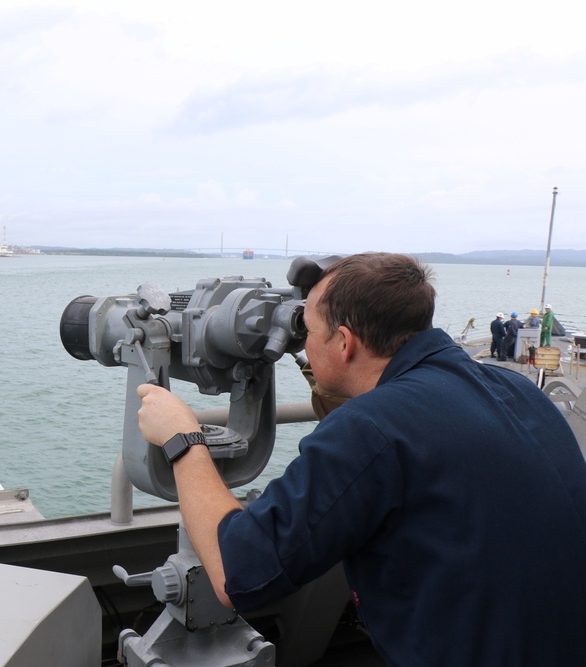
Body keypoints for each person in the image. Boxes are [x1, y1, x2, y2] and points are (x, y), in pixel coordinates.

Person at [136, 252, 586, 666]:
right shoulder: (518, 390)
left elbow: (238, 574)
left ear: (346, 342)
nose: (302, 343)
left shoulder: (373, 429)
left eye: (307, 331)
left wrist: (183, 438)